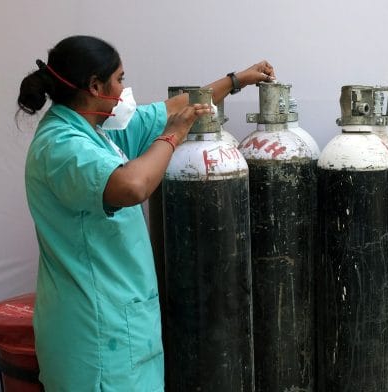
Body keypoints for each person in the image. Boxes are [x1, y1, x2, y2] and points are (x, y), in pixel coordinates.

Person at [17, 35, 275, 391]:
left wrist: (235, 81)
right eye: (120, 78)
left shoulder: (97, 132)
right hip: (95, 337)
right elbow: (133, 186)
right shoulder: (61, 145)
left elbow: (171, 109)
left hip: (122, 326)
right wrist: (171, 138)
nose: (125, 89)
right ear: (95, 85)